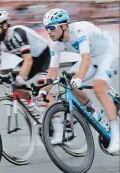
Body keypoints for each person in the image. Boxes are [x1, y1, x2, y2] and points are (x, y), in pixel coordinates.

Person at [39, 8, 119, 153]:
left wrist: (79, 78)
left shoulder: (79, 31)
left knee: (99, 88)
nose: (49, 32)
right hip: (93, 58)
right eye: (46, 28)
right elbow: (52, 71)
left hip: (109, 53)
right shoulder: (55, 44)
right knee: (68, 82)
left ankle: (116, 136)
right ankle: (94, 112)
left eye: (51, 28)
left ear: (63, 26)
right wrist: (45, 89)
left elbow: (86, 59)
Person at [0, 9, 51, 119]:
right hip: (31, 58)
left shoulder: (17, 33)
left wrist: (21, 78)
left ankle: (59, 118)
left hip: (44, 55)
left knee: (43, 88)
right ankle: (35, 106)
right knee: (14, 83)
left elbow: (28, 59)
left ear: (4, 25)